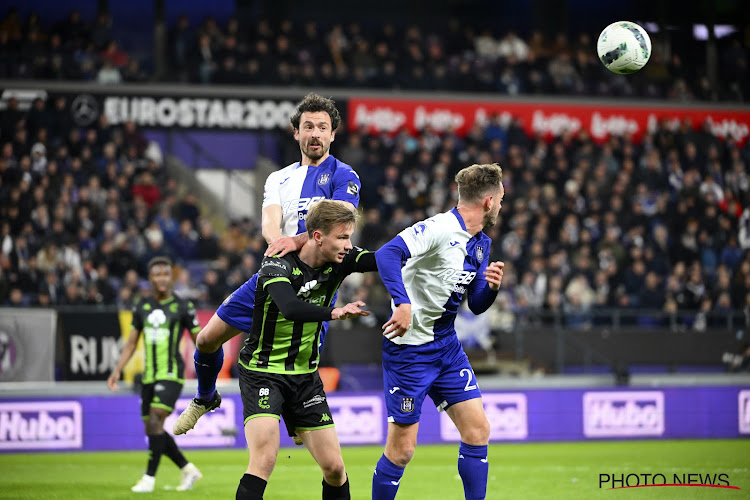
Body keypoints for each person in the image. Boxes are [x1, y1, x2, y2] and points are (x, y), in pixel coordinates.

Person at [174, 200, 377, 499]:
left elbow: (383, 259)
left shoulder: (342, 259)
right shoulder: (276, 262)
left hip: (305, 378)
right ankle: (205, 397)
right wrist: (334, 313)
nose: (348, 245)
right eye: (342, 237)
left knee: (334, 468)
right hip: (263, 373)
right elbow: (291, 307)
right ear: (318, 236)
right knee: (264, 460)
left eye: (349, 238)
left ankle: (295, 423)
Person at [371, 163, 506, 500]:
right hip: (409, 352)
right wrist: (401, 302)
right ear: (488, 202)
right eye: (501, 200)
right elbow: (387, 254)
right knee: (402, 450)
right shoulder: (439, 228)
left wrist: (490, 288)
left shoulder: (480, 245)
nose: (502, 206)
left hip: (446, 347)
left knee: (478, 430)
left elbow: (475, 304)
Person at [107, 256, 203, 493]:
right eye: (157, 274)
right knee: (153, 428)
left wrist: (208, 368)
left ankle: (148, 479)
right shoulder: (142, 306)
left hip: (171, 373)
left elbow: (200, 340)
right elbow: (131, 343)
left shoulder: (183, 306)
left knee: (156, 417)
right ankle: (188, 469)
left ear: (171, 277)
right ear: (150, 278)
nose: (162, 278)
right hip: (149, 375)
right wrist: (117, 370)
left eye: (166, 274)